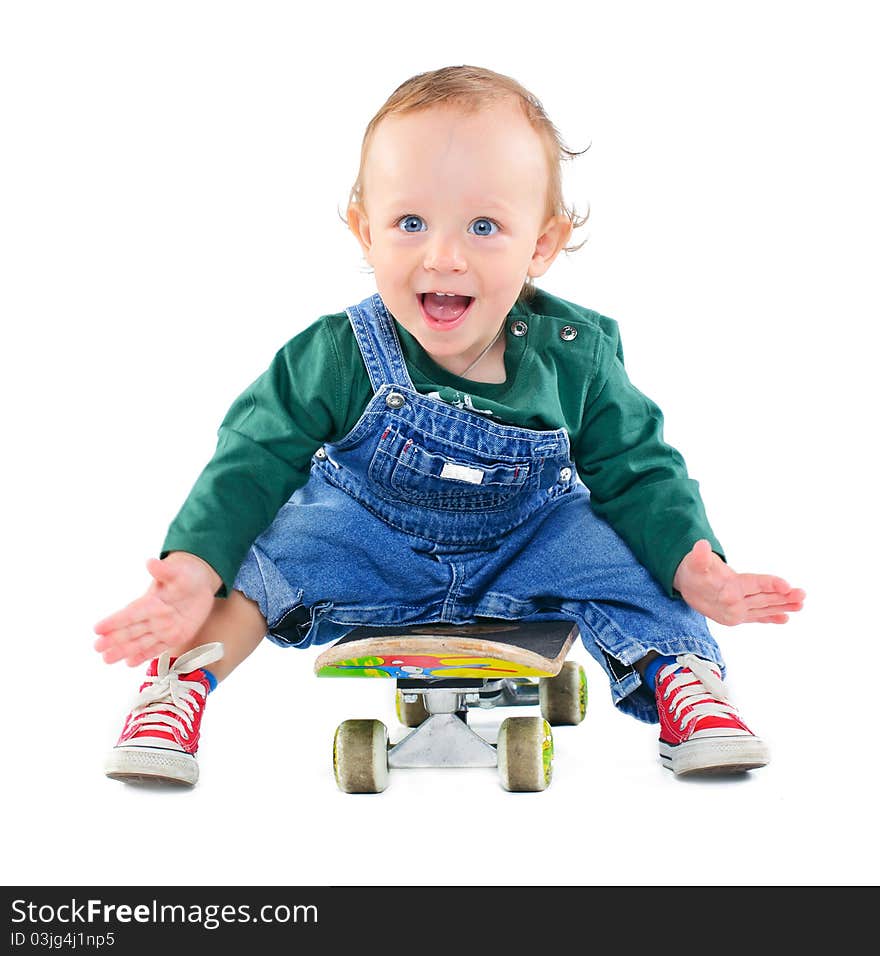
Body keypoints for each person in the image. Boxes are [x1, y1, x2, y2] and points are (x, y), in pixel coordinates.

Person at [95, 65, 805, 787]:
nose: (443, 255)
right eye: (410, 223)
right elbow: (250, 459)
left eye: (484, 226)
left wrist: (697, 565)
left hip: (527, 542)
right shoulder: (338, 352)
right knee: (254, 561)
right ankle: (179, 686)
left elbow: (638, 469)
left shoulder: (574, 356)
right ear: (365, 232)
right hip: (368, 538)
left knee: (633, 556)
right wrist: (191, 569)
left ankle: (683, 680)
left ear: (541, 244)